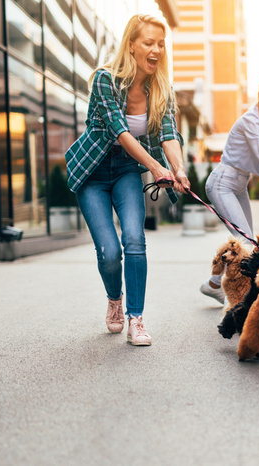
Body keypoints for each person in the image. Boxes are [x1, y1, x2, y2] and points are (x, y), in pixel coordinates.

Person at [65, 14, 189, 346]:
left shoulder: (161, 88)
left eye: (161, 44)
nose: (156, 50)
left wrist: (177, 169)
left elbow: (169, 134)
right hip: (92, 172)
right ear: (131, 45)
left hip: (125, 172)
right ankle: (114, 300)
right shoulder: (106, 80)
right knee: (108, 253)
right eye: (149, 43)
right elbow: (120, 132)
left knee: (135, 239)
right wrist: (156, 168)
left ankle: (136, 318)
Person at [199, 75, 259, 304]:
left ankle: (213, 285)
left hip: (240, 184)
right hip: (223, 183)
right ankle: (248, 302)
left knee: (247, 243)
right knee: (249, 246)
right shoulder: (251, 120)